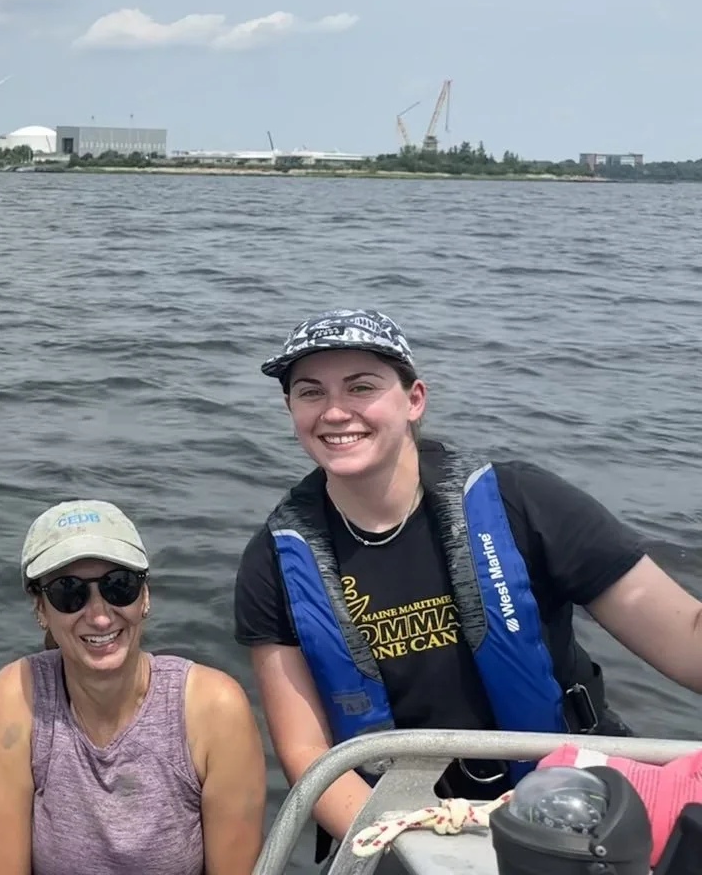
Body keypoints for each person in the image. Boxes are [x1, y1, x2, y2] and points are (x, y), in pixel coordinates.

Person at [233, 308, 702, 847]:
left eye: (361, 387)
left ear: (414, 400)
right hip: (401, 826)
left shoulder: (524, 503)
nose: (336, 412)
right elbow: (309, 755)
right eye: (310, 392)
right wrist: (411, 848)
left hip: (575, 805)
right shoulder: (273, 560)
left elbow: (686, 640)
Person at [0, 500, 267, 875]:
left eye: (119, 586)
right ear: (41, 609)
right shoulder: (16, 698)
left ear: (145, 596)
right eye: (68, 592)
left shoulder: (214, 709)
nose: (98, 615)